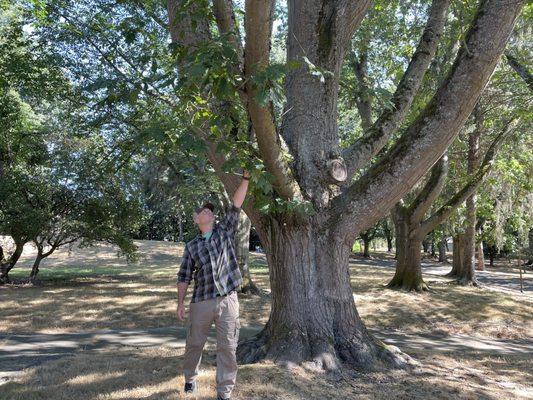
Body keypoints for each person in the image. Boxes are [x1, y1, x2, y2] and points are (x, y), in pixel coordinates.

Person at [176, 170, 250, 400]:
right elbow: (184, 276)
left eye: (210, 209)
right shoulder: (192, 246)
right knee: (194, 343)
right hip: (201, 302)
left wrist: (245, 179)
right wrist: (180, 304)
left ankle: (224, 392)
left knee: (227, 347)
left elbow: (235, 205)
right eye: (202, 210)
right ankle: (190, 379)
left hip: (228, 300)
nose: (208, 210)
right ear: (197, 220)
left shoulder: (224, 232)